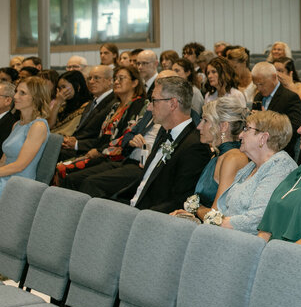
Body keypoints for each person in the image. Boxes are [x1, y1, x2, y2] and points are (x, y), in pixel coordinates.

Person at [120, 74, 213, 212]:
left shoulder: (195, 146)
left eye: (154, 101)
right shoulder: (164, 134)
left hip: (150, 216)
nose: (149, 107)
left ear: (172, 104)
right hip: (135, 206)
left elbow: (180, 200)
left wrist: (140, 216)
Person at [56, 64, 146, 182]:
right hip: (102, 153)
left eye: (121, 78)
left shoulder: (139, 104)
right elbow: (103, 136)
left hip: (118, 157)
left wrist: (99, 151)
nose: (117, 82)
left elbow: (127, 135)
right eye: (115, 79)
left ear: (134, 83)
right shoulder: (115, 106)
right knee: (60, 167)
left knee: (68, 173)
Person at [184, 96, 250, 212]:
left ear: (223, 126)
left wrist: (196, 209)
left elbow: (216, 215)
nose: (199, 127)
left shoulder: (233, 158)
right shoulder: (219, 155)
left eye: (205, 120)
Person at [0, 78, 51, 197]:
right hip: (6, 177)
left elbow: (20, 165)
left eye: (22, 93)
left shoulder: (38, 126)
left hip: (19, 182)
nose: (16, 96)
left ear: (36, 97)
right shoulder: (17, 125)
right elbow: (3, 160)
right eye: (16, 91)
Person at [251, 61, 301, 157]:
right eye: (256, 85)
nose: (259, 88)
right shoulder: (258, 97)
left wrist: (267, 121)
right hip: (258, 150)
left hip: (281, 152)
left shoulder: (290, 98)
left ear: (274, 77)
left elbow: (293, 130)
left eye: (262, 84)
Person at [51, 71, 91, 137]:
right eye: (59, 88)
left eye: (64, 87)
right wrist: (57, 104)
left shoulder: (87, 106)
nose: (61, 92)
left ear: (77, 87)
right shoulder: (63, 106)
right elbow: (50, 125)